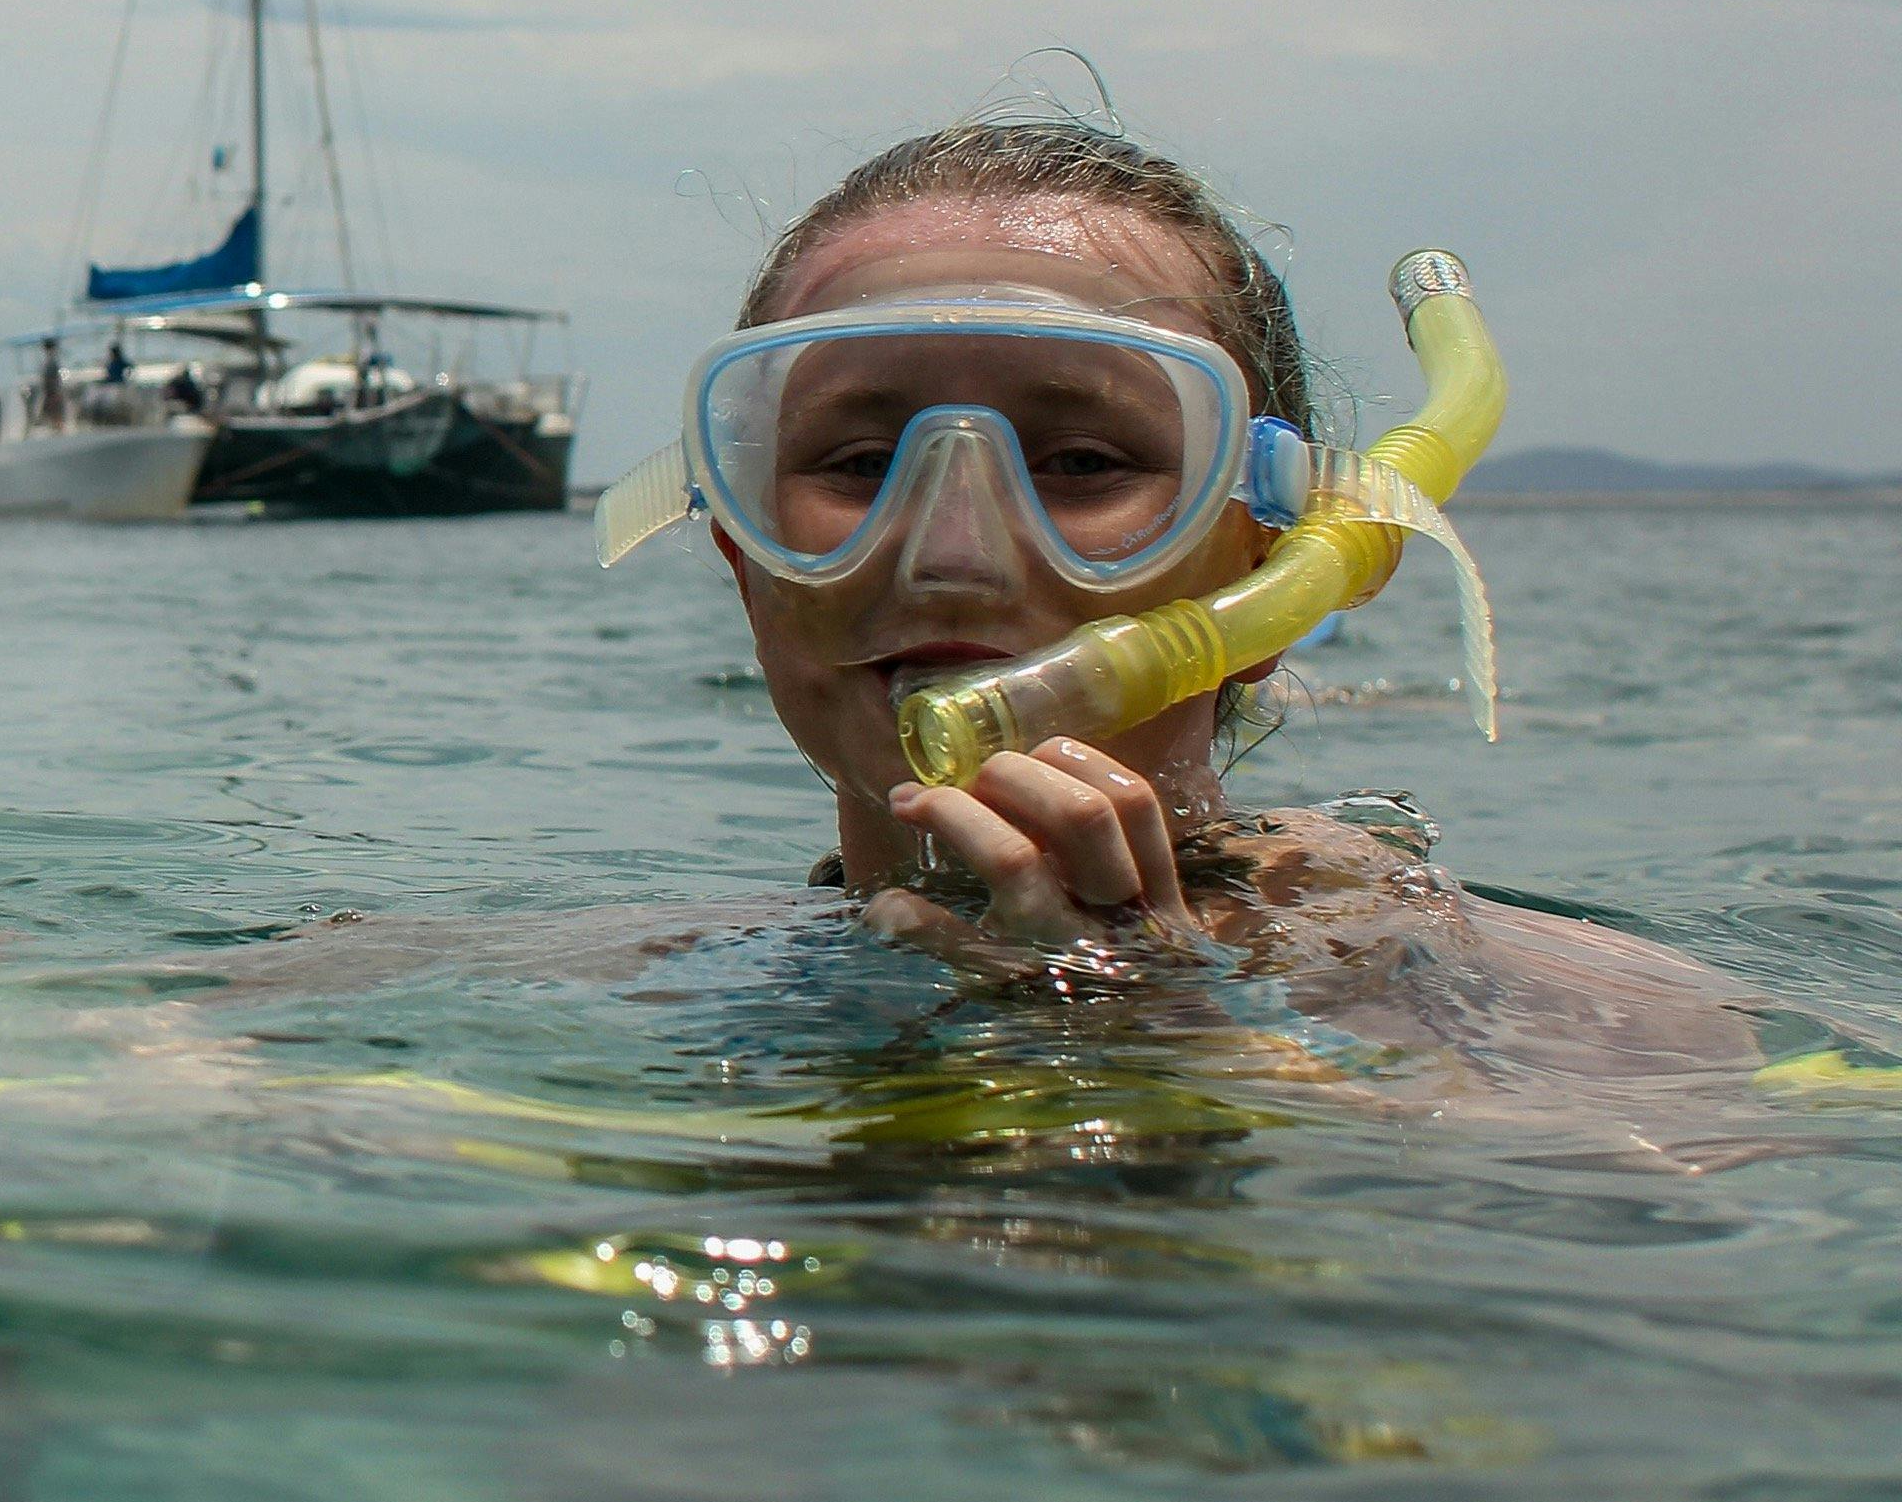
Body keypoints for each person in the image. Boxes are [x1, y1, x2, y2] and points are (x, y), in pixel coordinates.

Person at [601, 120, 1741, 1056]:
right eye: (857, 463)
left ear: (1269, 565)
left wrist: (1172, 1028)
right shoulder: (629, 987)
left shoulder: (1605, 1025)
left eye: (1084, 462)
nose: (951, 551)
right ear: (741, 557)